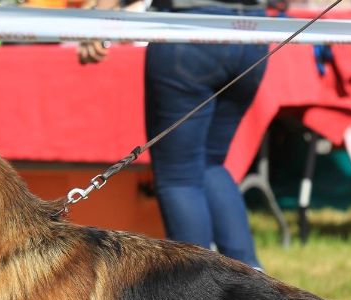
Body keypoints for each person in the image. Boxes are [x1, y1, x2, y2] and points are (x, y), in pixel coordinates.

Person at [77, 0, 266, 269]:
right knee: (211, 164)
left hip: (190, 28)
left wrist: (101, 17)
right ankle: (254, 278)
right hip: (255, 31)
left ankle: (198, 291)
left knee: (180, 177)